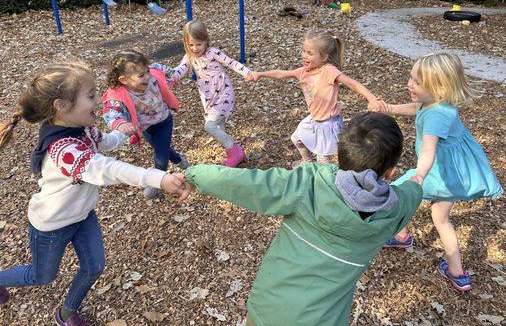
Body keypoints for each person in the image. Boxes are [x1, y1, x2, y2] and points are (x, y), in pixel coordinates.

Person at [176, 112, 423, 326]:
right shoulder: (394, 211)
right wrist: (417, 183)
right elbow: (412, 192)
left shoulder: (309, 183)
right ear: (391, 171)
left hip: (268, 308)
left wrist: (194, 174)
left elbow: (245, 183)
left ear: (340, 154)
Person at [0, 62, 182, 326]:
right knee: (41, 276)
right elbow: (104, 169)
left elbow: (102, 142)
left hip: (82, 215)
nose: (99, 100)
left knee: (94, 265)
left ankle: (66, 312)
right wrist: (157, 177)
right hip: (52, 224)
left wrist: (119, 133)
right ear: (61, 106)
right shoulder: (63, 149)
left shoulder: (83, 128)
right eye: (91, 96)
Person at [379, 53, 503, 292]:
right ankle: (457, 272)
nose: (409, 84)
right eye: (411, 77)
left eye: (416, 81)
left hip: (437, 174)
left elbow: (428, 150)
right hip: (453, 176)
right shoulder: (439, 102)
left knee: (395, 194)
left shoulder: (437, 115)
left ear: (438, 87)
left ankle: (401, 236)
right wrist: (390, 108)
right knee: (441, 219)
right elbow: (418, 108)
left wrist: (420, 176)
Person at [249, 30, 384, 166]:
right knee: (297, 138)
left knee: (322, 161)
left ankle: (323, 180)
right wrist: (260, 74)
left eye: (310, 53)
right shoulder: (303, 72)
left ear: (324, 57)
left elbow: (352, 83)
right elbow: (281, 74)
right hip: (315, 120)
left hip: (328, 123)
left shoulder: (328, 71)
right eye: (303, 51)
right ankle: (308, 162)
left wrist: (371, 98)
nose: (304, 56)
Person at [103, 49, 189, 199]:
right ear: (124, 80)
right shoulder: (119, 94)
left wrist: (176, 72)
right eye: (141, 75)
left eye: (147, 71)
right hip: (145, 128)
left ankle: (156, 181)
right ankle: (179, 160)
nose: (147, 77)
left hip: (163, 121)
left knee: (160, 157)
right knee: (162, 148)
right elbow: (111, 111)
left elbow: (167, 71)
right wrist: (120, 123)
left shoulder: (153, 74)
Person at [171, 19, 253, 167]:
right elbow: (180, 69)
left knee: (210, 126)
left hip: (223, 93)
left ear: (206, 40)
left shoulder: (213, 53)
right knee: (219, 126)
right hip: (208, 97)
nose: (195, 48)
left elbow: (231, 62)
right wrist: (172, 76)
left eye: (198, 44)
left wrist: (247, 73)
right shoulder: (189, 57)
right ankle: (232, 154)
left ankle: (236, 152)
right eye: (191, 45)